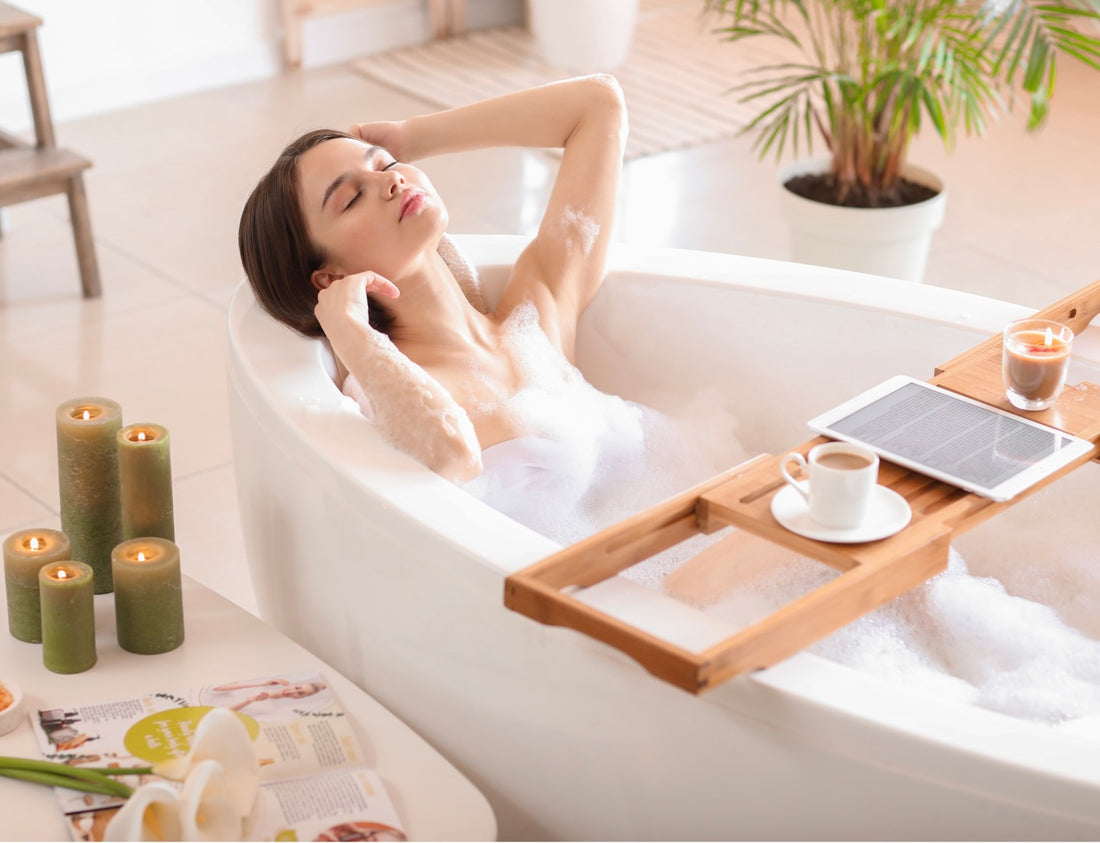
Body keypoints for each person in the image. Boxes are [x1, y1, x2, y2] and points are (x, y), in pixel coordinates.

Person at [240, 76, 741, 543]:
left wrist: (410, 135)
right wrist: (349, 331)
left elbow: (598, 105)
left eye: (386, 166)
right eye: (351, 199)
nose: (390, 182)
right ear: (328, 278)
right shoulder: (385, 387)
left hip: (690, 559)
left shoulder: (537, 316)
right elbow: (449, 454)